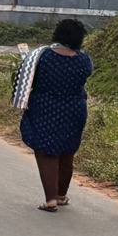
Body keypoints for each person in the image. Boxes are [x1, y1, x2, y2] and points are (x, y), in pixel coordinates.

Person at [18, 18, 92, 212]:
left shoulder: (42, 56)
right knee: (67, 151)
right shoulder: (83, 60)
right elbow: (85, 75)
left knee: (46, 151)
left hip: (45, 107)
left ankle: (50, 199)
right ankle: (61, 195)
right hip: (74, 109)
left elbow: (31, 78)